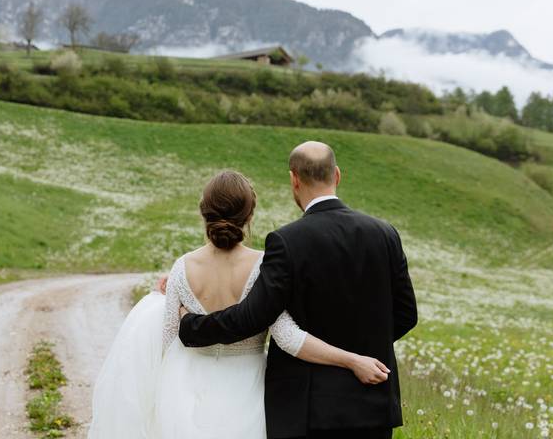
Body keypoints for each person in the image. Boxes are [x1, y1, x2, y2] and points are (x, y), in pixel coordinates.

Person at [88, 168, 390, 439]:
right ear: (250, 215)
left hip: (185, 390)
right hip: (246, 389)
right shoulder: (264, 267)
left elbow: (167, 341)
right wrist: (352, 359)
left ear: (203, 212)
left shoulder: (181, 267)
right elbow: (287, 337)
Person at [179, 141, 418, 439]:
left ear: (294, 179)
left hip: (307, 408)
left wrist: (191, 325)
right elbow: (407, 315)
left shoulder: (287, 241)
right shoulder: (384, 233)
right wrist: (362, 346)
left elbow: (253, 316)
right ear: (338, 175)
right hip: (372, 401)